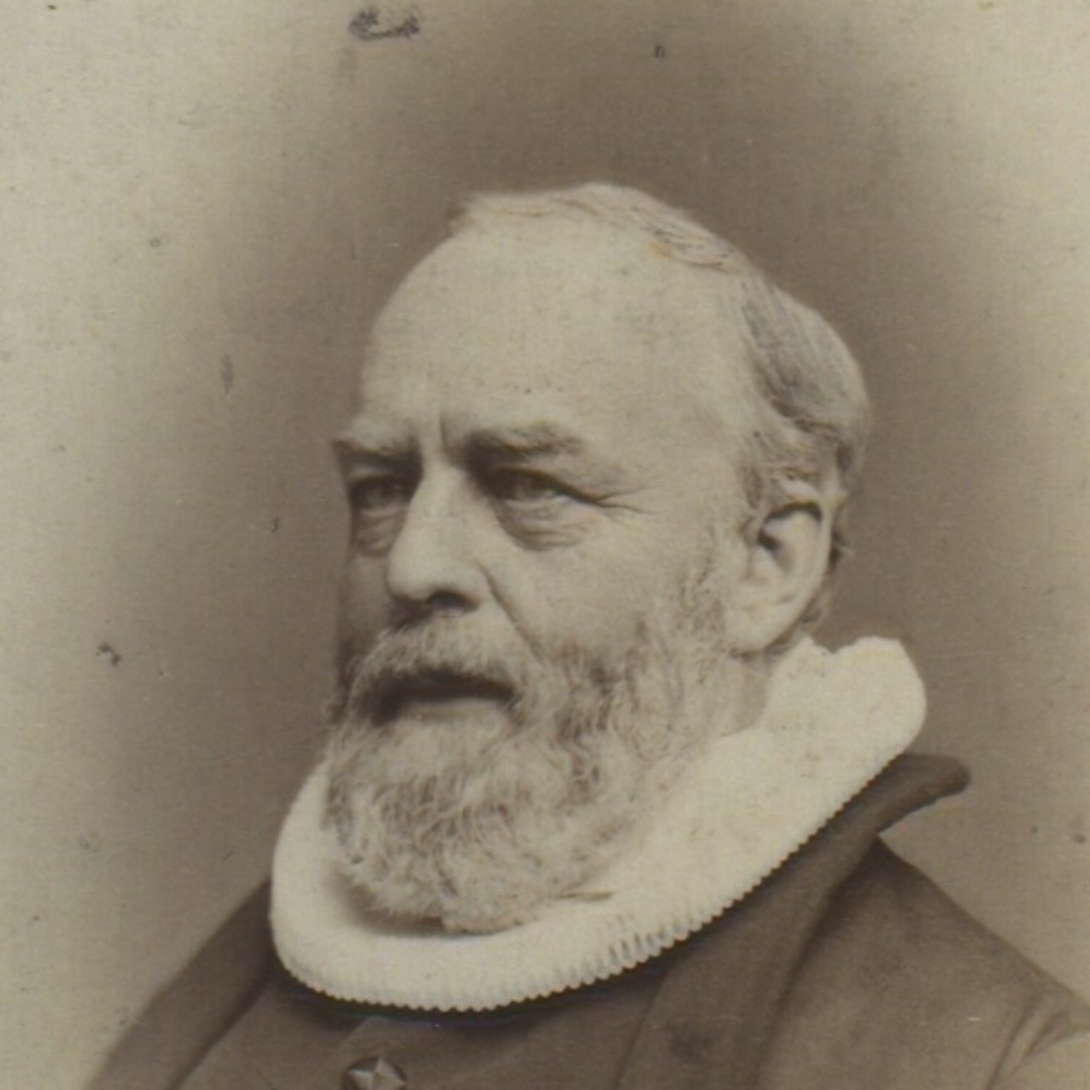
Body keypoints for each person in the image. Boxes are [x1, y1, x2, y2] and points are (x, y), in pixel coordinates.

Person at [94, 184, 1090, 1089]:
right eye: (382, 487)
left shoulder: (1000, 1064)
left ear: (766, 565)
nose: (412, 567)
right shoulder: (222, 1000)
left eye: (529, 486)